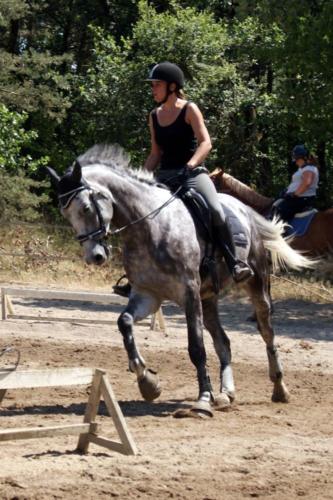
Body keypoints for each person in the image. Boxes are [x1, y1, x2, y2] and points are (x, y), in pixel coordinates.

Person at [113, 62, 253, 297]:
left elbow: (206, 143)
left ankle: (234, 263)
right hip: (165, 176)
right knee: (141, 215)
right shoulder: (154, 115)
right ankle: (136, 274)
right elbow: (156, 153)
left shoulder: (189, 109)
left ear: (172, 86)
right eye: (152, 85)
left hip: (192, 174)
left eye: (156, 85)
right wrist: (139, 179)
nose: (153, 89)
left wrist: (190, 166)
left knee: (216, 210)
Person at [272, 145, 319, 223]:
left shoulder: (309, 168)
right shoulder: (302, 169)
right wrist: (286, 191)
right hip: (298, 198)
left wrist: (294, 194)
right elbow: (297, 183)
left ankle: (281, 233)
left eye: (297, 159)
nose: (296, 162)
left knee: (279, 212)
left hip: (302, 199)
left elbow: (307, 183)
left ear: (303, 158)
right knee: (275, 205)